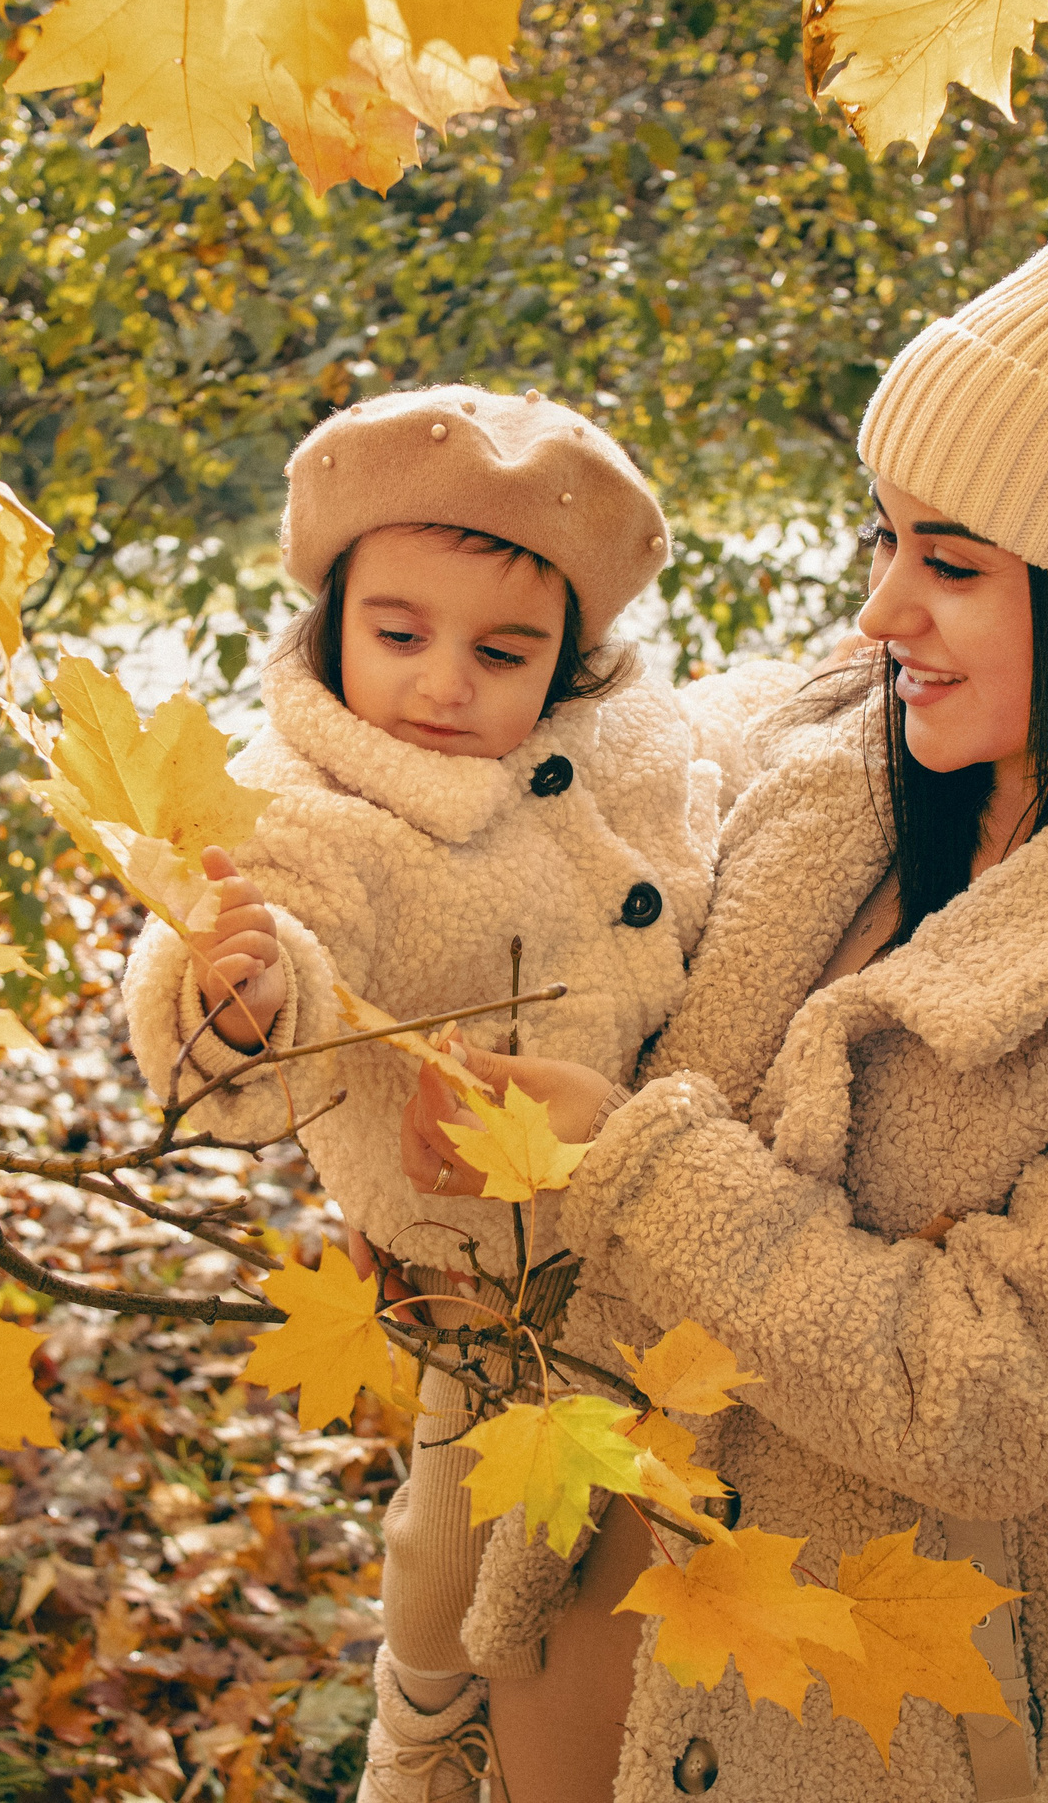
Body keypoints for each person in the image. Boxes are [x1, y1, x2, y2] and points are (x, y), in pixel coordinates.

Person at [397, 142, 1048, 1803]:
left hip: (869, 1734)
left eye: (952, 564)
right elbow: (521, 838)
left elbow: (994, 1395)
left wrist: (632, 1160)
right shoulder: (827, 746)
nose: (879, 611)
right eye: (887, 538)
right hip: (574, 1619)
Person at [120, 384, 801, 1802]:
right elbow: (275, 925)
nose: (443, 684)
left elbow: (703, 806)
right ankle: (421, 1730)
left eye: (503, 652)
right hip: (480, 1267)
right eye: (399, 635)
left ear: (568, 657)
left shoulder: (624, 744)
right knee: (451, 1535)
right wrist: (238, 995)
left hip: (656, 1206)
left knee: (633, 1528)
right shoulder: (316, 801)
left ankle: (607, 1724)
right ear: (332, 620)